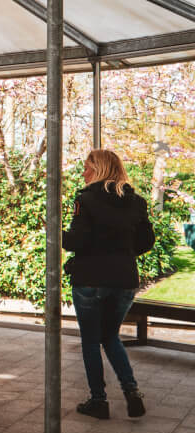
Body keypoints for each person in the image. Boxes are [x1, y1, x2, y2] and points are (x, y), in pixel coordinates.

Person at [64, 149, 155, 419]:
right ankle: (131, 391)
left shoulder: (86, 199)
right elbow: (146, 241)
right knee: (110, 336)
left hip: (91, 279)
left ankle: (99, 400)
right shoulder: (136, 201)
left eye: (87, 168)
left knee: (91, 340)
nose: (83, 173)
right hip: (125, 279)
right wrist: (122, 255)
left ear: (99, 169)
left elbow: (77, 241)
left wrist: (59, 235)